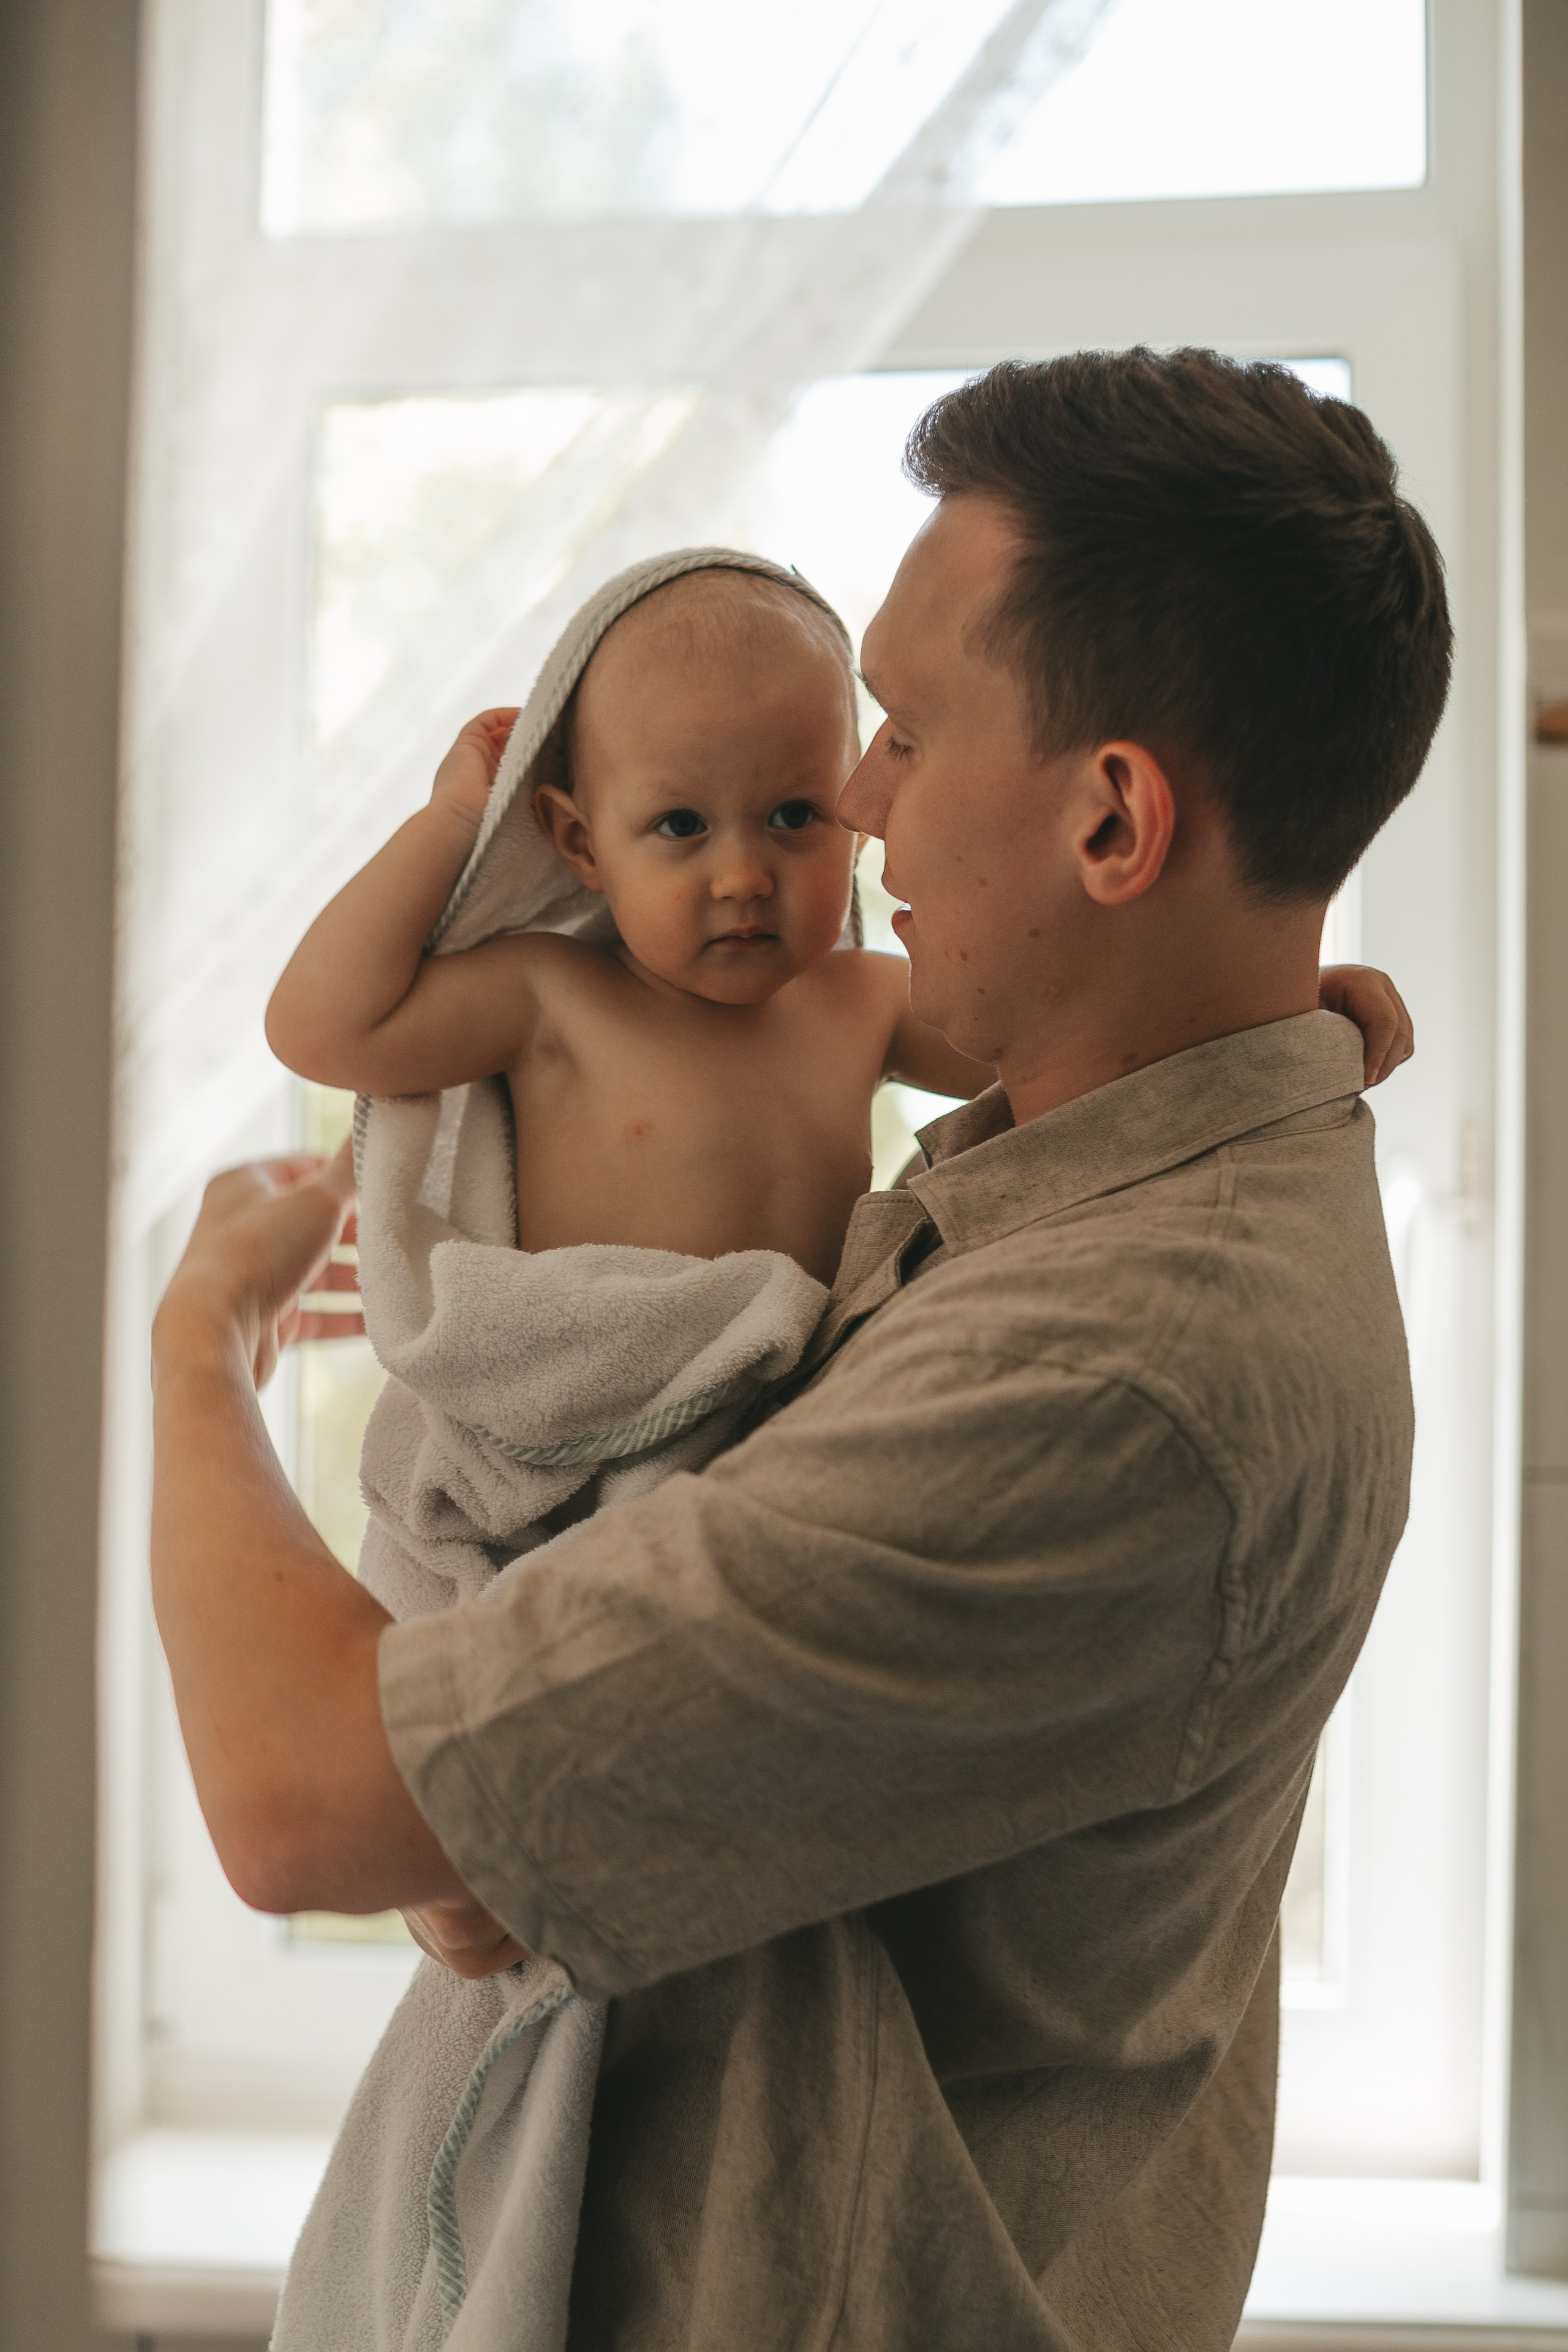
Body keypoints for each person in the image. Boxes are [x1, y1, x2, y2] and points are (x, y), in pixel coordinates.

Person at [151, 347, 1447, 2349]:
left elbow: (296, 1799)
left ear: (1115, 819)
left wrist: (192, 1355)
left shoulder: (1108, 1379)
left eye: (904, 733)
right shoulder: (1122, 1182)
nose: (851, 801)